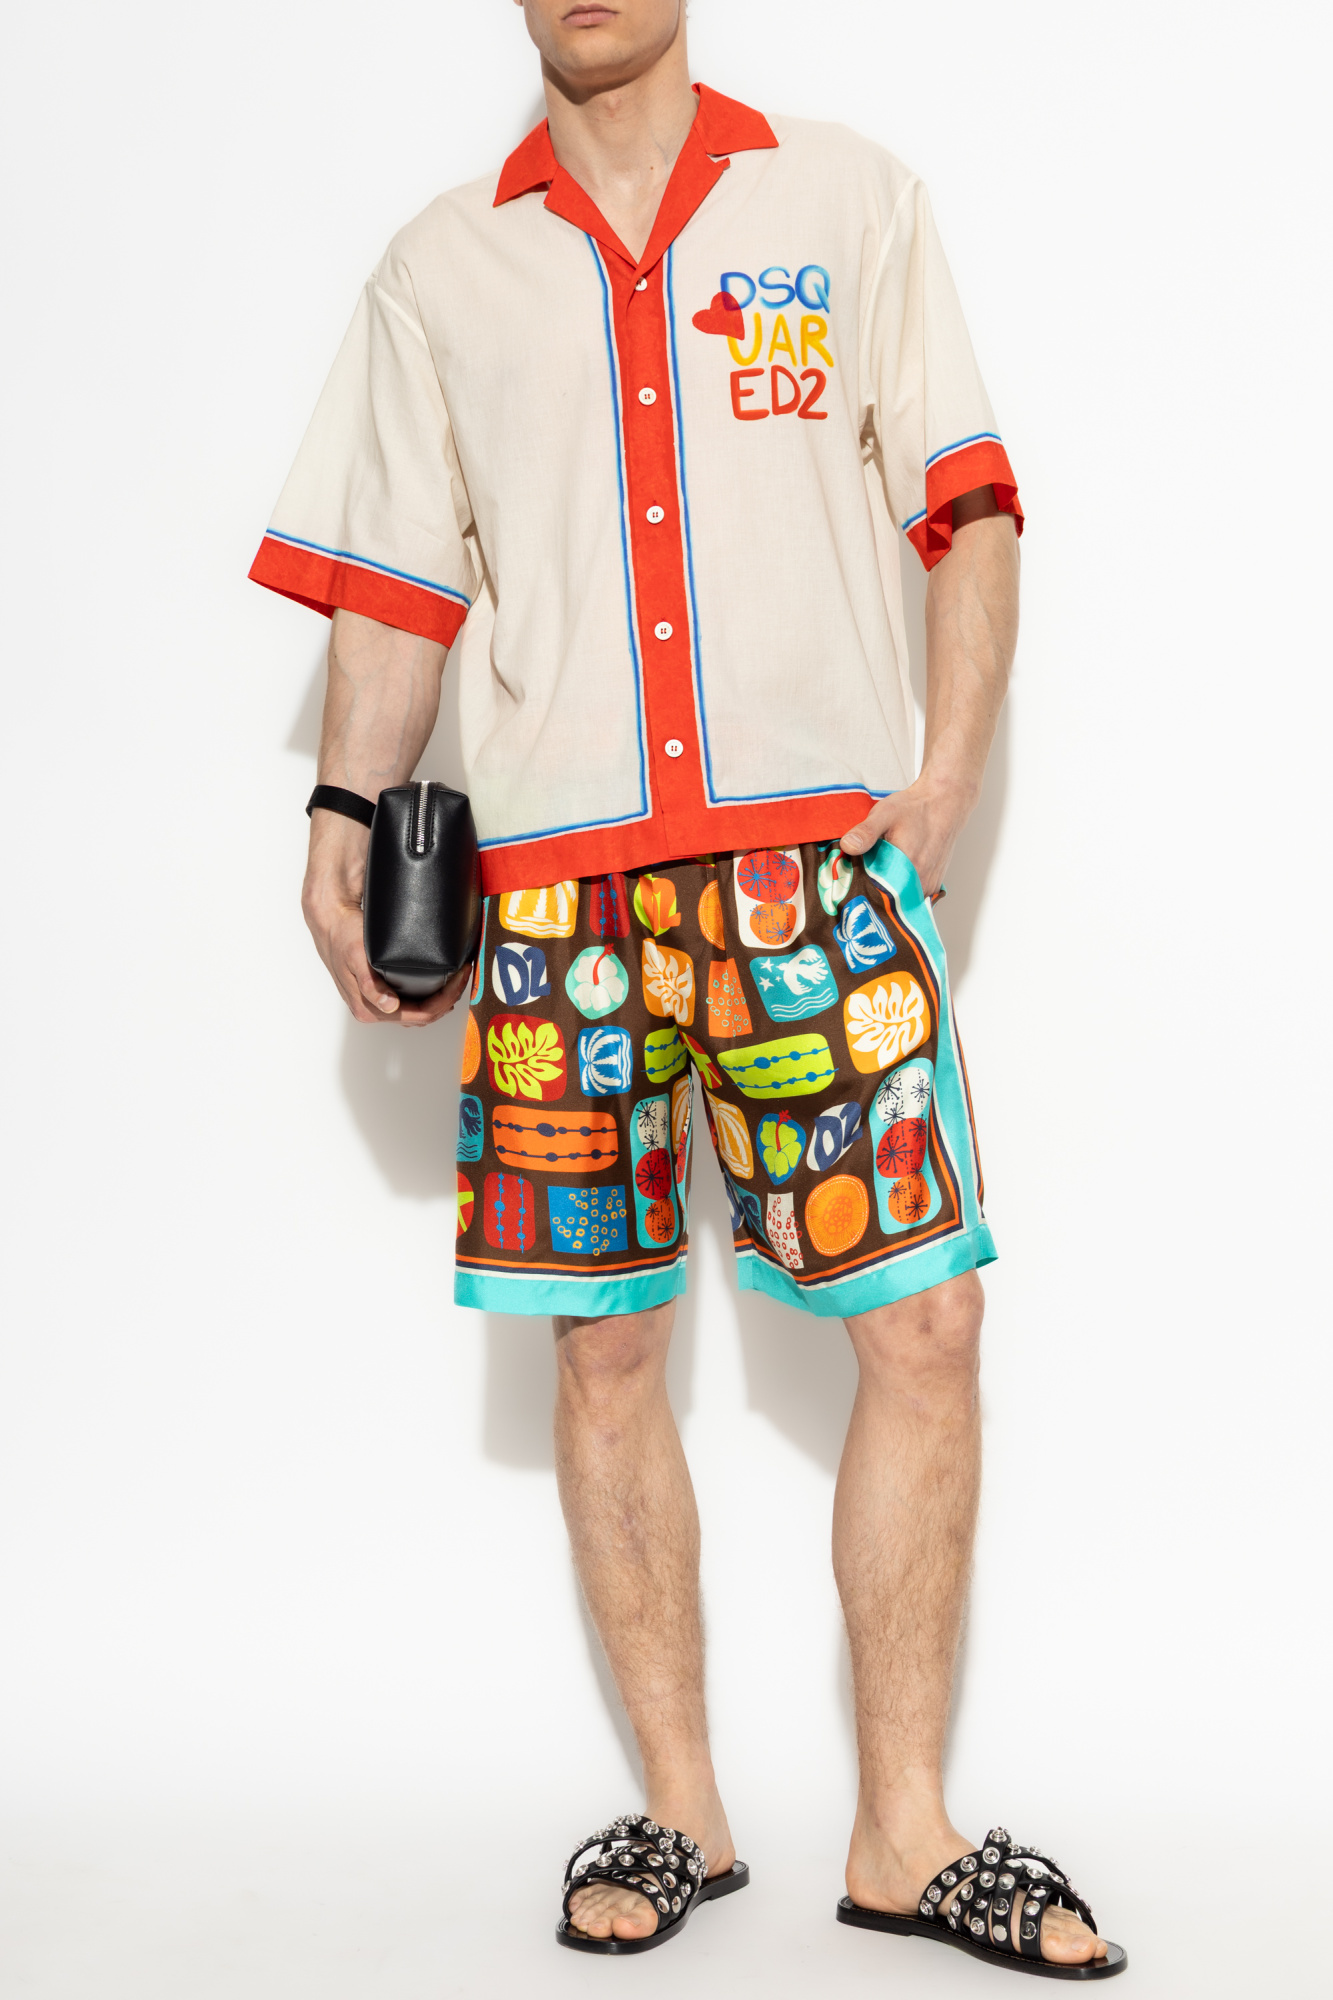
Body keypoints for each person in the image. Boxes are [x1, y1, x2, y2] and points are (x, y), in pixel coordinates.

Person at [251, 0, 1124, 1976]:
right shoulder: (437, 268)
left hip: (811, 877)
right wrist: (341, 810)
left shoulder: (849, 201)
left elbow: (969, 507)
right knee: (603, 1345)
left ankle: (904, 1832)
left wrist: (944, 779)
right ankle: (682, 1806)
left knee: (925, 1322)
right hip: (552, 901)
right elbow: (396, 589)